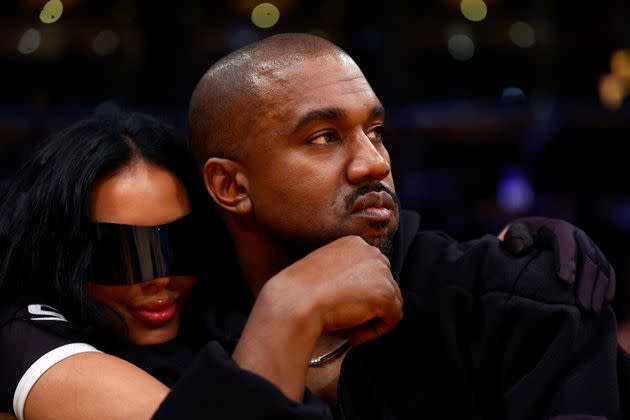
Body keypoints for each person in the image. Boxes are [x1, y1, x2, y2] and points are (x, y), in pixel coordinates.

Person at [186, 32, 624, 419]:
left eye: (374, 130)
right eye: (325, 137)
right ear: (231, 186)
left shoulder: (515, 301)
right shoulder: (178, 338)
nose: (375, 162)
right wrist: (289, 306)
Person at [0, 109, 408, 419]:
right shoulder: (22, 331)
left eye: (178, 244)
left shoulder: (220, 296)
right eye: (120, 255)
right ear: (63, 253)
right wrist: (290, 306)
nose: (158, 277)